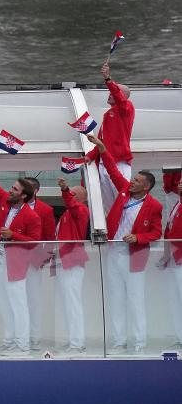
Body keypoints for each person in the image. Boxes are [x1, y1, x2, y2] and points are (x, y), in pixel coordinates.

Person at [90, 134, 162, 354]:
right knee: (116, 298)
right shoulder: (123, 191)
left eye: (137, 181)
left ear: (146, 187)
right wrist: (102, 148)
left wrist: (138, 237)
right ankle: (119, 341)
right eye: (133, 179)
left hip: (135, 256)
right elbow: (112, 170)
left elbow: (156, 232)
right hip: (114, 251)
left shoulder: (154, 205)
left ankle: (139, 342)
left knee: (135, 300)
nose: (132, 182)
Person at [0, 156, 42, 356]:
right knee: (3, 300)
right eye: (12, 187)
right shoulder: (5, 201)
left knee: (18, 303)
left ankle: (22, 344)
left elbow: (35, 241)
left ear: (24, 196)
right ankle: (9, 339)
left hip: (16, 263)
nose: (10, 191)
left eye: (15, 189)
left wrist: (13, 235)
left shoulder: (32, 216)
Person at [85, 62, 136, 214]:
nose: (109, 93)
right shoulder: (108, 115)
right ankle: (110, 231)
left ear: (122, 96)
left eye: (114, 92)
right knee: (107, 206)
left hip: (119, 162)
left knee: (121, 200)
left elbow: (120, 99)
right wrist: (89, 156)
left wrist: (108, 79)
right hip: (105, 163)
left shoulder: (127, 109)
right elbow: (103, 143)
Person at [55, 177, 91, 356]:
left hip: (73, 261)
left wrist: (64, 189)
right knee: (67, 303)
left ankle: (77, 343)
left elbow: (72, 204)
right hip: (63, 260)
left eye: (73, 194)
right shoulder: (68, 213)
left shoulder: (81, 210)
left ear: (82, 198)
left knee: (73, 303)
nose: (70, 196)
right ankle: (73, 341)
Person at [23, 177, 56, 350]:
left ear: (35, 191)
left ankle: (34, 337)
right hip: (14, 258)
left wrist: (45, 256)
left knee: (33, 299)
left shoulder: (45, 210)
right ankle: (19, 336)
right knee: (16, 299)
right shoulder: (13, 204)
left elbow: (50, 236)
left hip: (34, 260)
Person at [159, 174, 182, 348]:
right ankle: (179, 336)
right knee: (175, 299)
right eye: (180, 182)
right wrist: (166, 254)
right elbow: (169, 230)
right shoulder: (177, 204)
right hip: (175, 257)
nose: (180, 184)